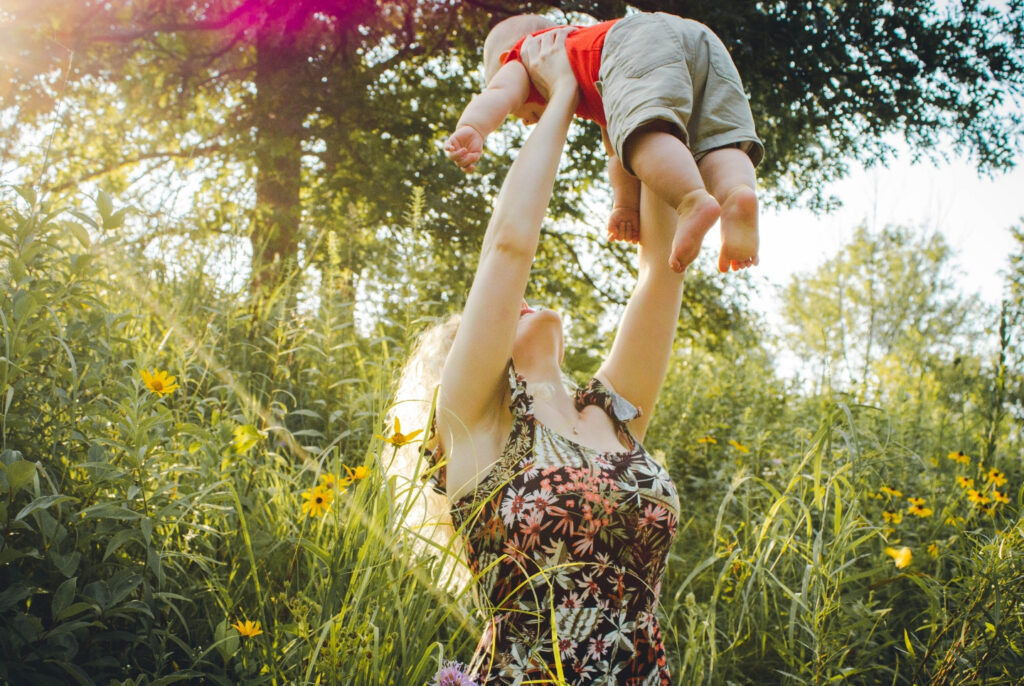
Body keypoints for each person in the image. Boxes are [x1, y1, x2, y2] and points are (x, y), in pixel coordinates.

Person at [396, 29, 684, 684]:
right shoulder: (477, 423)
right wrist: (559, 98)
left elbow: (663, 275)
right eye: (500, 313)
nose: (518, 302)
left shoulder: (612, 417)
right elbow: (508, 248)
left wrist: (634, 107)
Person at [444, 11, 764, 275]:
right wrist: (625, 207)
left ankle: (692, 200)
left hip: (636, 40)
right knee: (717, 140)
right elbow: (618, 151)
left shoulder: (527, 55)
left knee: (644, 138)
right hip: (699, 39)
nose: (526, 120)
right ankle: (736, 195)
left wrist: (473, 127)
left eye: (520, 113)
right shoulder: (599, 73)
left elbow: (498, 94)